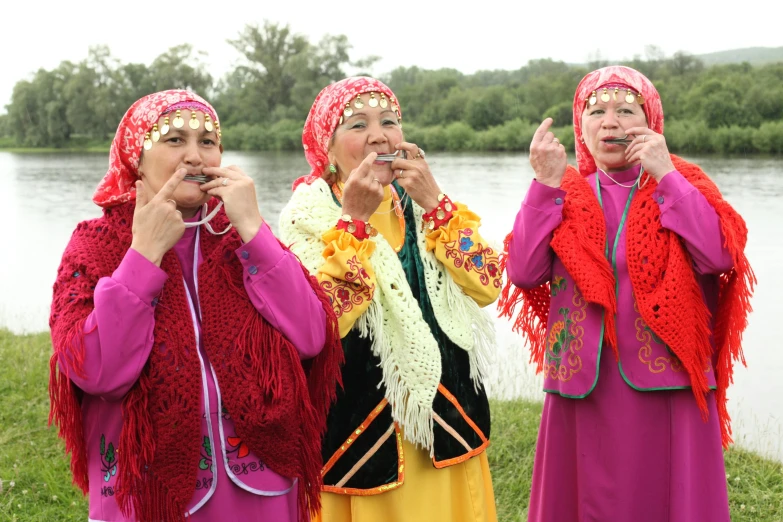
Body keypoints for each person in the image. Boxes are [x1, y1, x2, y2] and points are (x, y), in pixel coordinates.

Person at [48, 90, 342, 522]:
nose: (195, 156)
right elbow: (97, 372)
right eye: (174, 140)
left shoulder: (239, 235)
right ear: (136, 158)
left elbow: (313, 336)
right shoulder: (95, 245)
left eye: (207, 141)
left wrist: (253, 230)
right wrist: (143, 256)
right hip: (152, 494)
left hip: (262, 482)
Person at [499, 65, 755, 522]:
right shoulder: (564, 192)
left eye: (625, 110)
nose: (610, 122)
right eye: (595, 111)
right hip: (584, 383)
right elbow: (523, 271)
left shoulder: (683, 183)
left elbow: (718, 257)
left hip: (667, 381)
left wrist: (665, 173)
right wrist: (544, 183)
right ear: (581, 127)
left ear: (651, 123)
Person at [279, 76, 501, 522]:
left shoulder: (422, 204)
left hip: (446, 416)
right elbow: (323, 320)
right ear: (327, 147)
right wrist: (355, 221)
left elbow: (488, 282)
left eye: (389, 122)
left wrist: (436, 202)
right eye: (358, 124)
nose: (379, 135)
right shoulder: (305, 215)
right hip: (359, 430)